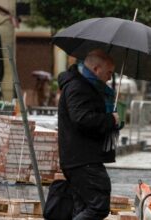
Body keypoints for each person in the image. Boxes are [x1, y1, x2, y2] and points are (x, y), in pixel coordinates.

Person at [58, 49, 122, 219]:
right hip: (83, 158)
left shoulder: (86, 86)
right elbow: (82, 119)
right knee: (98, 206)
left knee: (83, 207)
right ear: (96, 69)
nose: (110, 77)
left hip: (81, 157)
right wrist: (110, 120)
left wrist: (112, 120)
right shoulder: (78, 87)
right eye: (108, 72)